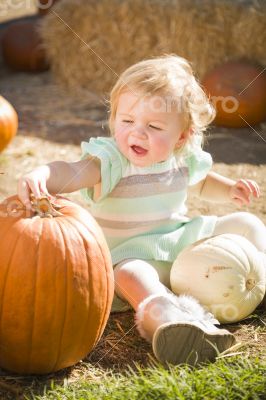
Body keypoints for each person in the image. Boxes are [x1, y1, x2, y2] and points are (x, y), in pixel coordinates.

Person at [17, 55, 266, 366]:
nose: (137, 133)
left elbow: (201, 184)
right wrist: (44, 174)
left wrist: (229, 189)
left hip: (178, 242)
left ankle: (261, 277)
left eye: (154, 125)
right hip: (130, 253)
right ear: (114, 118)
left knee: (246, 222)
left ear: (182, 137)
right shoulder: (111, 160)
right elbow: (73, 171)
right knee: (130, 274)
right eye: (127, 121)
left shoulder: (182, 158)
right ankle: (168, 318)